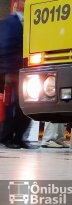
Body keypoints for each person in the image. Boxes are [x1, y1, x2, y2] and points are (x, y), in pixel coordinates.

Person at [0, 12, 31, 149]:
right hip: (13, 72)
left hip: (23, 71)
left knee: (24, 106)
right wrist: (8, 73)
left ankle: (18, 138)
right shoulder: (11, 22)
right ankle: (7, 137)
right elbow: (6, 47)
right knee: (12, 106)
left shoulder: (26, 21)